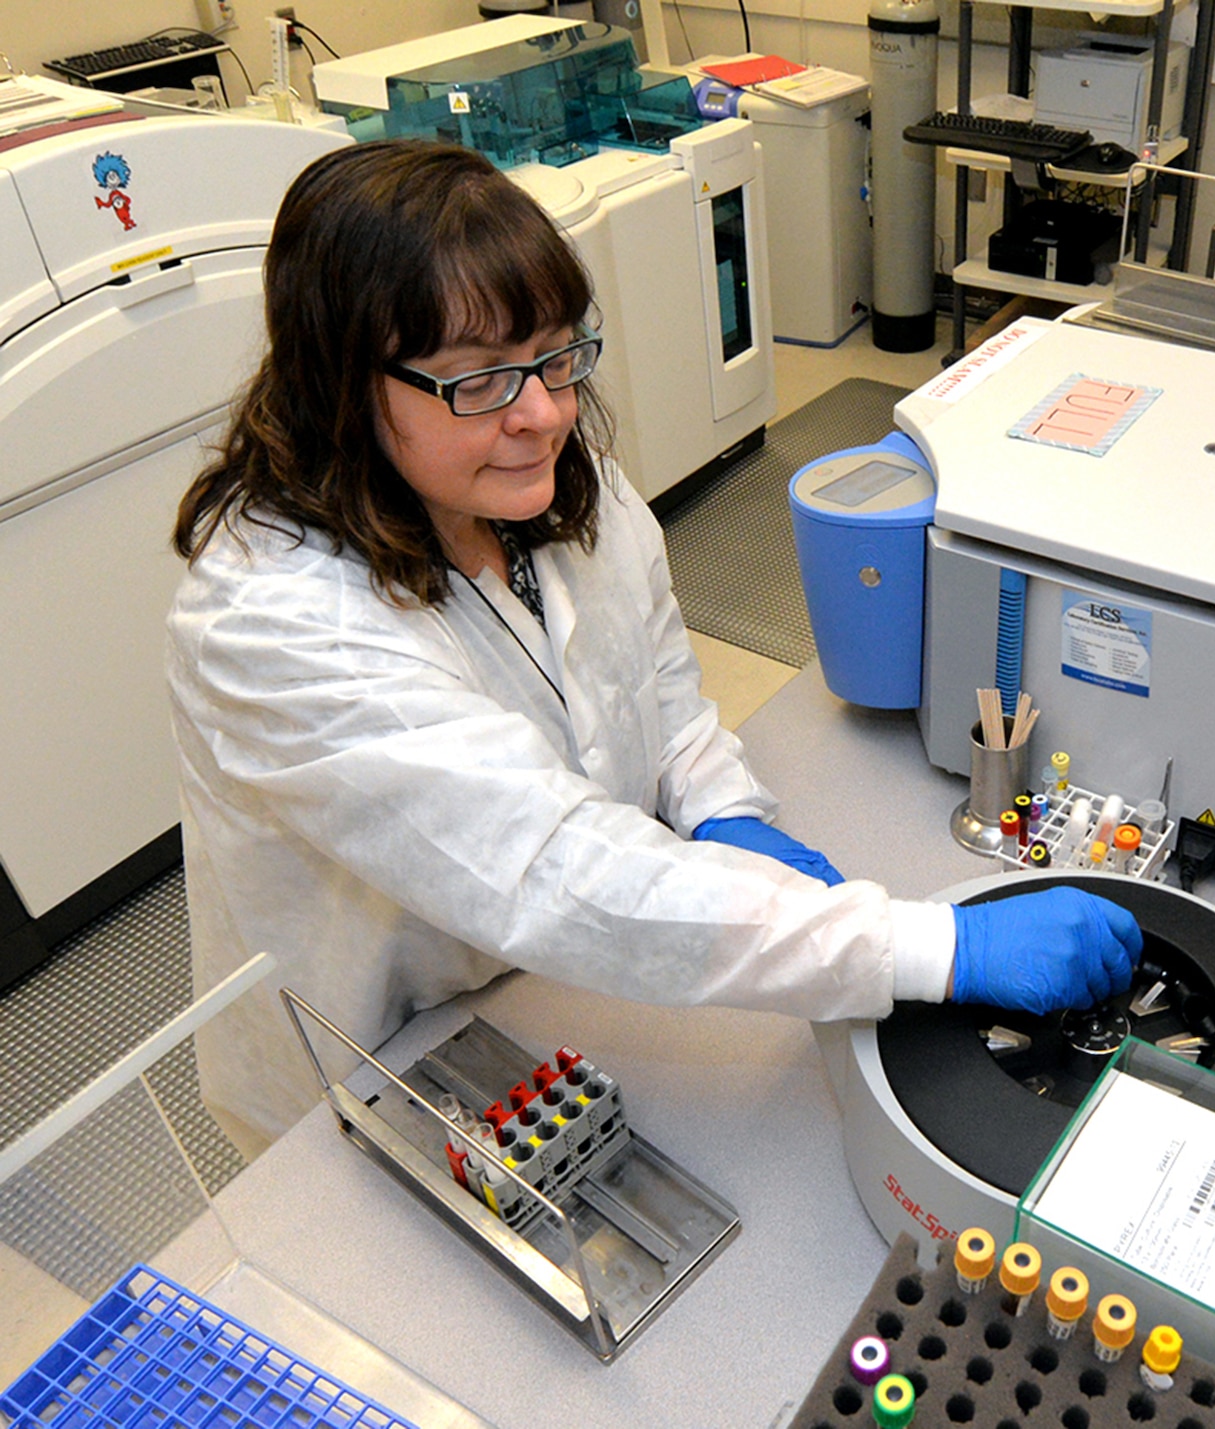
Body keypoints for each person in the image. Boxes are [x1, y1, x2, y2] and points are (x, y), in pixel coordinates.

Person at [167, 140, 1140, 1149]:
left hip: (559, 980)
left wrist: (720, 808)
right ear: (343, 387)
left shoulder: (537, 466)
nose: (542, 413)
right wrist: (930, 944)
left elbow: (657, 680)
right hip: (379, 1058)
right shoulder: (271, 623)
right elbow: (548, 868)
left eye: (553, 355)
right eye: (480, 380)